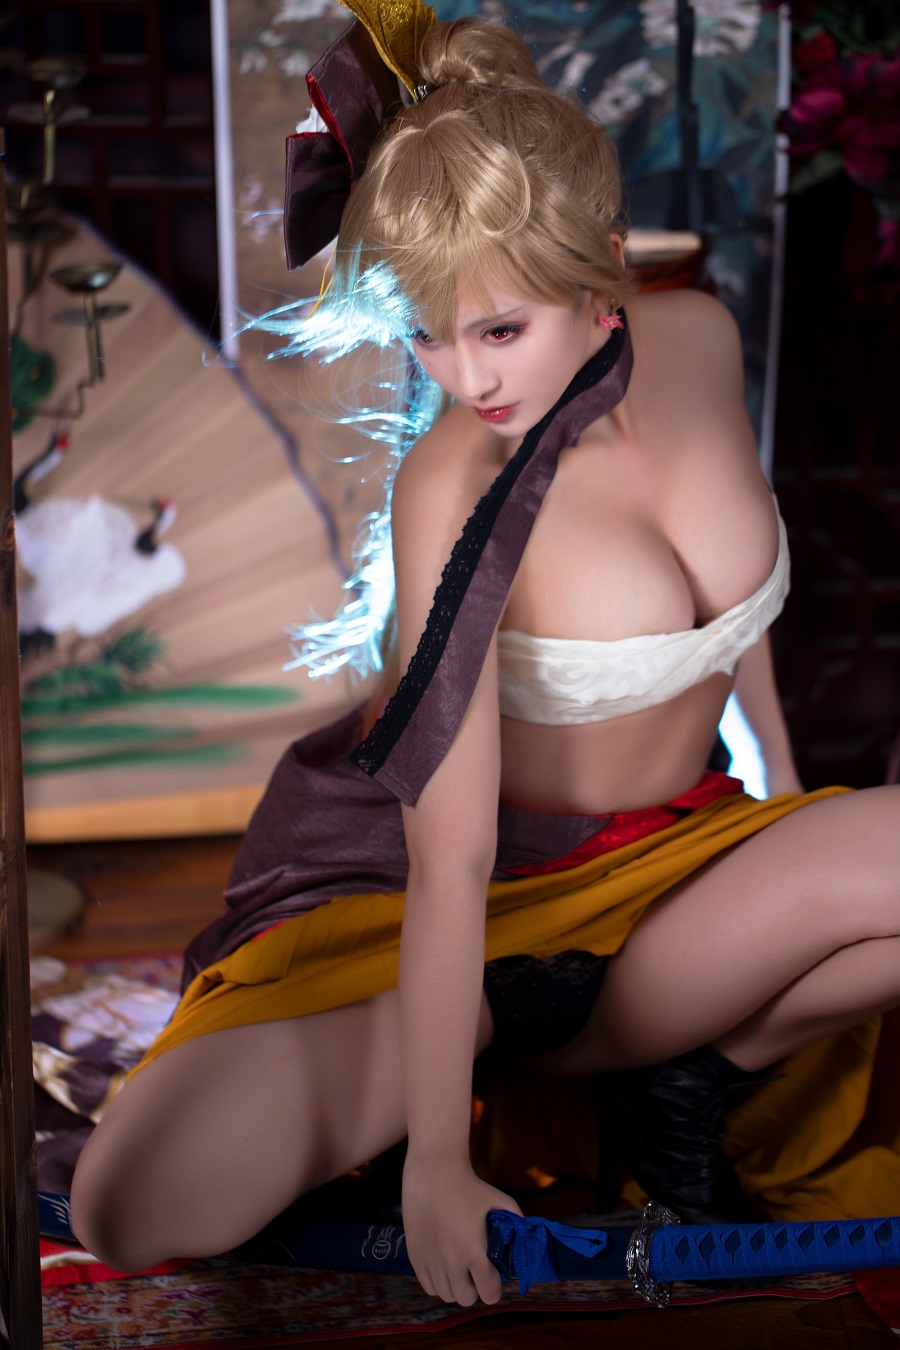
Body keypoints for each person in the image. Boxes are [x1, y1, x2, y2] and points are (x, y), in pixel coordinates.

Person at [71, 9, 900, 1310]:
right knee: (134, 1202)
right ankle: (525, 1071)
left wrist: (788, 797)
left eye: (498, 331)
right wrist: (437, 1170)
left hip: (681, 869)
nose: (462, 377)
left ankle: (688, 1070)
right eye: (427, 332)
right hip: (469, 906)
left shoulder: (699, 340)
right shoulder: (452, 486)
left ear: (603, 271)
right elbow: (450, 858)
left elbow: (735, 631)